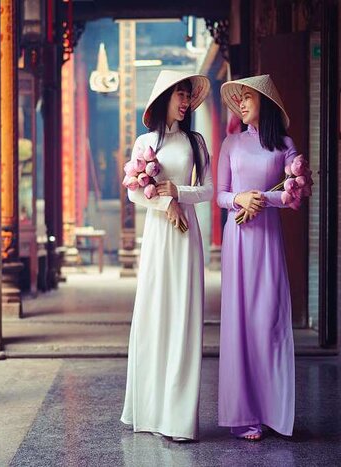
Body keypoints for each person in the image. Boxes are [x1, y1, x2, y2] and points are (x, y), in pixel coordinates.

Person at [120, 70, 212, 441]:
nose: (185, 101)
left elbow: (207, 190)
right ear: (164, 100)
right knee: (154, 315)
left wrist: (179, 193)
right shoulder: (145, 142)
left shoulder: (197, 141)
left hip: (185, 234)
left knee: (184, 318)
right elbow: (133, 193)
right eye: (179, 94)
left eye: (188, 95)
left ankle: (178, 420)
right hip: (160, 236)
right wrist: (164, 204)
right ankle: (151, 410)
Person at [216, 74, 298, 440]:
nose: (241, 104)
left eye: (248, 98)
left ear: (265, 102)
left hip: (267, 239)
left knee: (269, 320)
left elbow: (294, 192)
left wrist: (262, 198)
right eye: (239, 100)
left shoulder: (284, 145)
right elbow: (218, 194)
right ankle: (245, 414)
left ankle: (273, 411)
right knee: (241, 323)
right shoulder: (230, 144)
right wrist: (238, 199)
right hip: (238, 239)